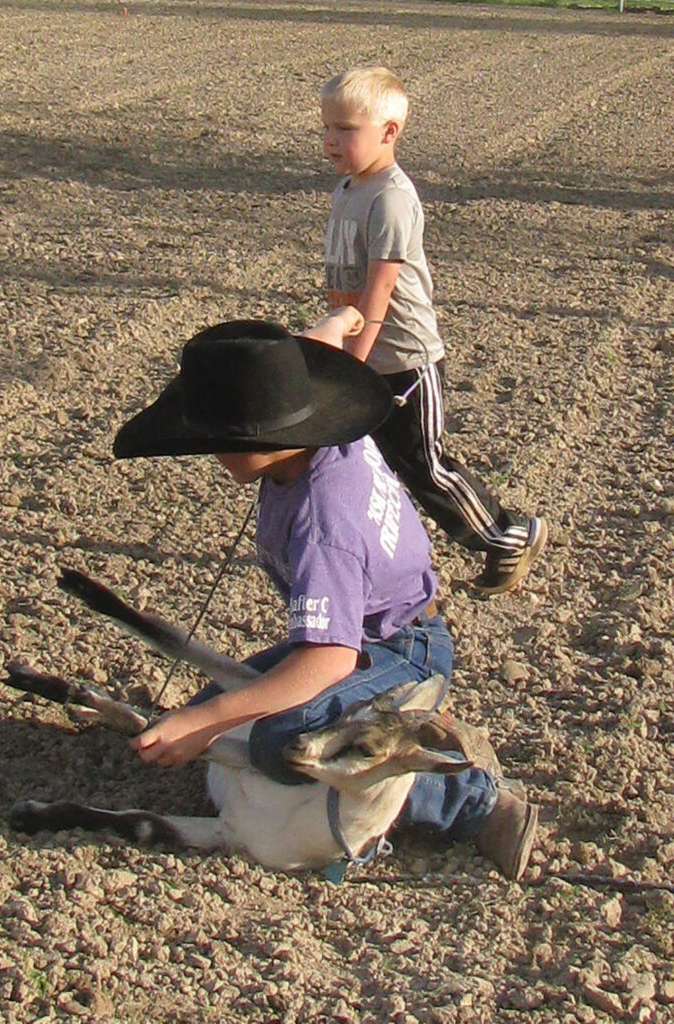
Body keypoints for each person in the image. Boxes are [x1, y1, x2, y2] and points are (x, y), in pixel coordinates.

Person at [111, 310, 538, 879]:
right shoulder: (325, 430)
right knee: (211, 715)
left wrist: (206, 723)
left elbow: (326, 660)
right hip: (377, 631)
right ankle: (389, 716)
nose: (212, 452)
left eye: (220, 438)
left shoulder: (324, 523)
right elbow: (312, 353)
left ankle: (473, 802)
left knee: (277, 741)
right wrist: (339, 323)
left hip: (397, 645)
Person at [320, 66, 547, 595]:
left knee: (426, 466)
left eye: (346, 129)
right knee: (363, 467)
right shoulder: (348, 188)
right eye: (326, 128)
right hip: (361, 354)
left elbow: (379, 288)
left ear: (389, 132)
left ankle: (508, 535)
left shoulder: (392, 198)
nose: (331, 140)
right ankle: (363, 556)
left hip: (403, 360)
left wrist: (354, 359)